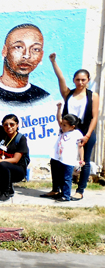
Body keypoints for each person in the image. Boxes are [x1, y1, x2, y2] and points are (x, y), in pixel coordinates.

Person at [49, 53, 100, 200]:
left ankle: (80, 190)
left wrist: (87, 135)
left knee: (84, 161)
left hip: (85, 132)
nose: (80, 82)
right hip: (67, 133)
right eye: (77, 79)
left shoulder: (93, 96)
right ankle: (56, 189)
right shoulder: (68, 93)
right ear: (74, 80)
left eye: (83, 80)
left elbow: (95, 117)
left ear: (88, 80)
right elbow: (61, 78)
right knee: (57, 159)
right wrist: (53, 62)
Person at [0, 24, 49, 104]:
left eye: (35, 49)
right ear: (4, 51)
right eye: (18, 47)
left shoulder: (43, 97)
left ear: (41, 55)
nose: (27, 55)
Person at [0, 97, 31, 202]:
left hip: (17, 171)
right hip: (1, 171)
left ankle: (6, 193)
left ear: (17, 125)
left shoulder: (20, 138)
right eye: (6, 125)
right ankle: (6, 187)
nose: (9, 127)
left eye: (12, 124)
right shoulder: (2, 133)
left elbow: (16, 160)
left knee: (3, 165)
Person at [42, 107, 85, 202]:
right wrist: (59, 109)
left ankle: (66, 196)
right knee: (59, 177)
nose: (62, 126)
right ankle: (59, 192)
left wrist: (82, 159)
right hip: (58, 158)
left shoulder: (76, 134)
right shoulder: (62, 131)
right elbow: (59, 119)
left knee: (66, 178)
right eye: (62, 124)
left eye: (65, 125)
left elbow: (80, 146)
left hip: (68, 160)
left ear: (72, 126)